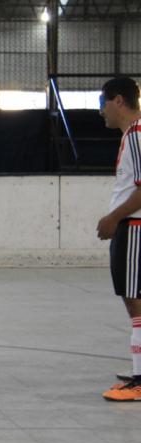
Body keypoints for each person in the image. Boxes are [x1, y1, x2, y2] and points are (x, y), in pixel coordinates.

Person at [95, 77, 141, 401]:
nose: (101, 112)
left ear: (120, 101)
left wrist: (114, 217)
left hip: (134, 226)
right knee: (133, 300)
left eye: (103, 103)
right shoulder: (131, 135)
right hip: (130, 225)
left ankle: (140, 380)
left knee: (136, 300)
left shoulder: (137, 134)